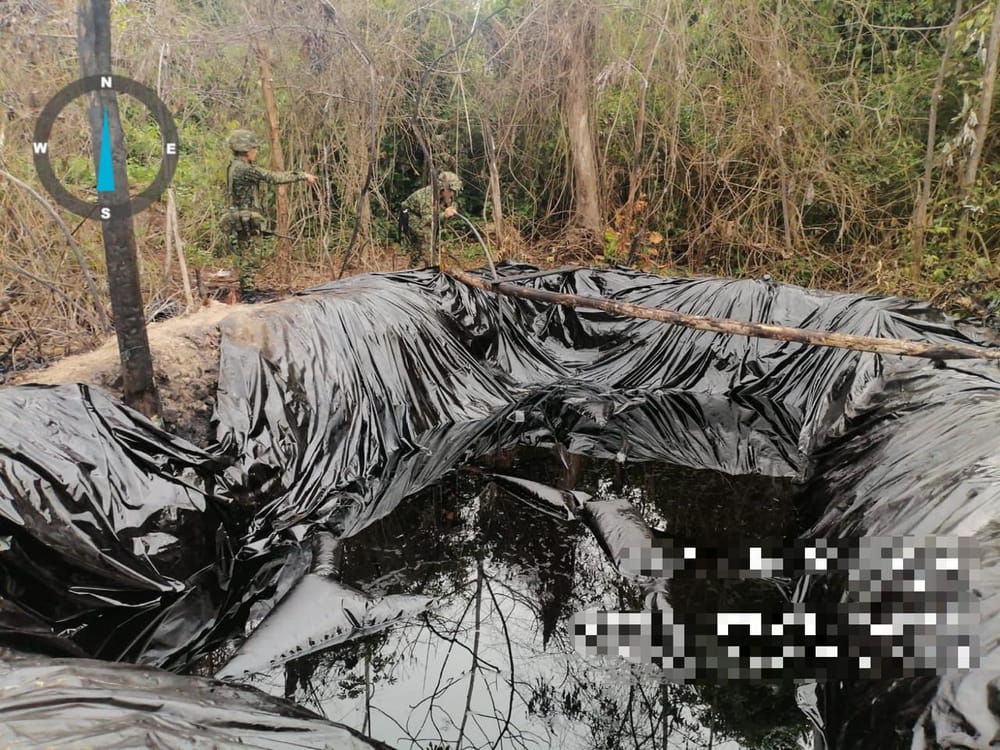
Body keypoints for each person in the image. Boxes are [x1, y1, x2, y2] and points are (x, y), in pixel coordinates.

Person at [221, 129, 316, 293]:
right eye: (254, 149)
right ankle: (248, 295)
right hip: (245, 218)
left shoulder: (234, 166)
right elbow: (274, 178)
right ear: (246, 150)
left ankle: (247, 291)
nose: (256, 152)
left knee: (247, 255)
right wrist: (302, 175)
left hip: (240, 217)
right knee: (251, 257)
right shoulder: (244, 169)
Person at [400, 170, 462, 266]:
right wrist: (444, 215)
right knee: (424, 241)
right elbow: (427, 220)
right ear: (443, 188)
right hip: (411, 216)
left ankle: (429, 262)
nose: (452, 194)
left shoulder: (445, 196)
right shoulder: (428, 197)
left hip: (423, 217)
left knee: (433, 242)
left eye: (454, 191)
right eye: (450, 191)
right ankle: (421, 266)